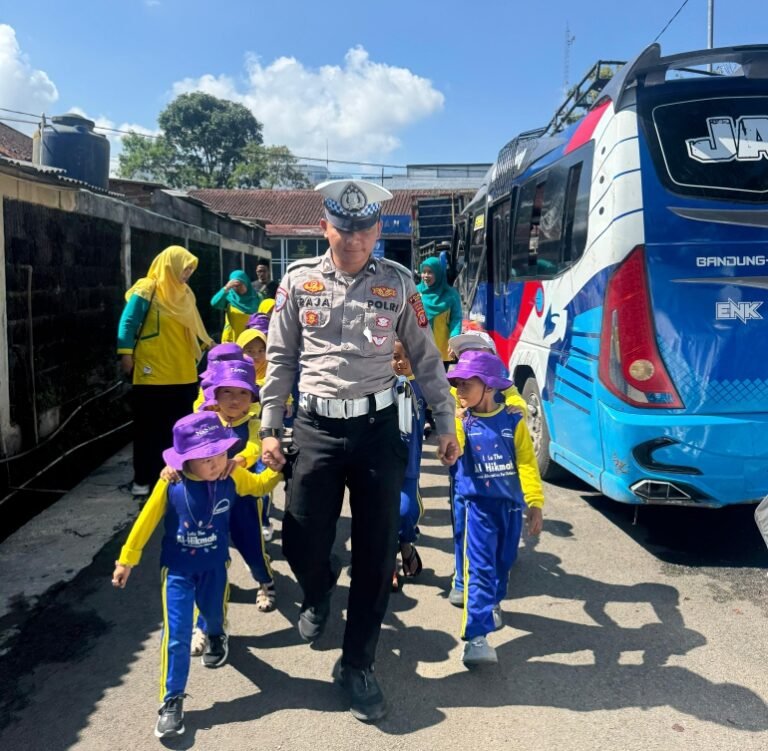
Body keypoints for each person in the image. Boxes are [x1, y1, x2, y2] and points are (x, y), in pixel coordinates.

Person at [259, 179, 460, 723]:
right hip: (315, 429)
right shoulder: (298, 282)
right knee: (301, 540)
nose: (352, 240)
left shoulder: (399, 284)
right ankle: (319, 589)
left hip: (377, 430)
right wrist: (269, 429)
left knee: (375, 553)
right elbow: (280, 360)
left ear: (377, 230)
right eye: (342, 229)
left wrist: (446, 422)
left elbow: (425, 360)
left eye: (363, 230)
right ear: (325, 226)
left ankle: (357, 664)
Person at [111, 411, 282, 739]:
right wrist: (126, 560)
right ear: (185, 459)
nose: (217, 462)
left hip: (215, 569)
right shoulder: (170, 482)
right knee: (176, 635)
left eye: (220, 452)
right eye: (206, 458)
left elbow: (259, 486)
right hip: (176, 572)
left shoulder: (231, 477)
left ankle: (217, 634)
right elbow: (145, 521)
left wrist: (277, 470)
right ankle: (171, 699)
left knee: (214, 615)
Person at [447, 350, 544, 667]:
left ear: (489, 386)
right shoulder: (463, 422)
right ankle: (476, 638)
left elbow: (527, 463)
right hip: (477, 509)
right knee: (481, 570)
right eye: (457, 385)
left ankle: (492, 603)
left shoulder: (513, 420)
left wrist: (534, 504)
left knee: (504, 563)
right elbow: (453, 449)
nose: (459, 392)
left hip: (511, 510)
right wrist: (449, 450)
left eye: (465, 385)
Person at [117, 245, 214, 497]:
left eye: (190, 270)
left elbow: (194, 328)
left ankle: (174, 476)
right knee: (147, 430)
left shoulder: (185, 294)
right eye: (184, 269)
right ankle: (143, 480)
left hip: (182, 373)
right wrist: (125, 354)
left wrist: (212, 350)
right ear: (169, 266)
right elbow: (129, 321)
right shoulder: (148, 287)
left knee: (179, 429)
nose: (187, 274)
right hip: (152, 373)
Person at [446, 329, 527, 607]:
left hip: (500, 476)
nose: (469, 358)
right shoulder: (457, 385)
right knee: (462, 525)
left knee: (501, 535)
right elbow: (445, 406)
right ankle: (461, 577)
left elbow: (517, 402)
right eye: (464, 354)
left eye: (478, 352)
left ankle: (493, 577)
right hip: (464, 475)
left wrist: (519, 409)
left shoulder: (504, 387)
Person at [391, 339, 426, 590]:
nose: (401, 361)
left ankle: (406, 543)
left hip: (409, 466)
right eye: (395, 356)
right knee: (382, 516)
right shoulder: (380, 385)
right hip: (383, 464)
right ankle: (387, 564)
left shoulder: (422, 385)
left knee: (407, 512)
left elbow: (457, 396)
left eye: (406, 356)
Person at [417, 256, 462, 367]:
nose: (426, 276)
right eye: (424, 272)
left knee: (440, 383)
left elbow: (456, 320)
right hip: (419, 348)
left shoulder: (451, 295)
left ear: (438, 273)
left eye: (430, 272)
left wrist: (453, 340)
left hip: (441, 349)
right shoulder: (415, 292)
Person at [210, 270, 261, 343]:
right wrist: (226, 288)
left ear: (246, 283)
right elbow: (214, 303)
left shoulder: (257, 298)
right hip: (231, 340)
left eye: (241, 284)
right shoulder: (229, 298)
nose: (238, 288)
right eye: (235, 286)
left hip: (251, 340)